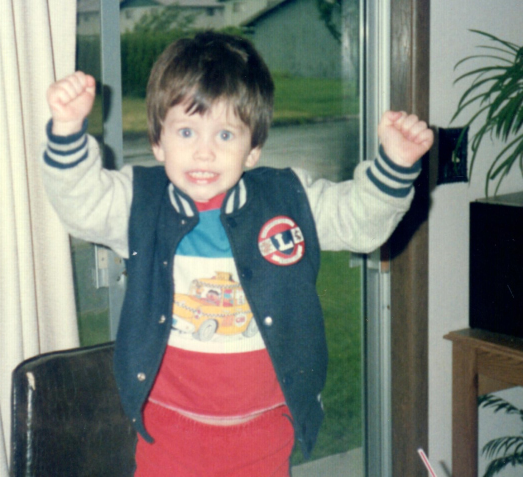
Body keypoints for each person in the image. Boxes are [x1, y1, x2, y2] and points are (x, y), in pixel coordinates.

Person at [42, 31, 433, 477]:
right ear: (157, 141)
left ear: (253, 149)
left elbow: (359, 223)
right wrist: (67, 130)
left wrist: (396, 164)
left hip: (264, 436)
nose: (204, 151)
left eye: (225, 134)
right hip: (168, 435)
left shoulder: (288, 198)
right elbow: (82, 204)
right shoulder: (139, 203)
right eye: (186, 131)